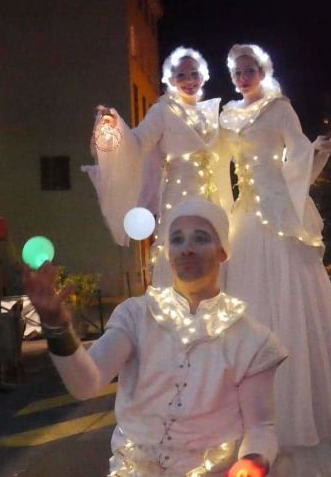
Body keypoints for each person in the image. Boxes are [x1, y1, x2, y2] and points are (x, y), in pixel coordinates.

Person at [23, 198, 287, 476]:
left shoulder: (251, 339)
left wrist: (253, 461)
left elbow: (261, 427)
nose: (187, 249)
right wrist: (56, 327)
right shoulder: (135, 316)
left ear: (222, 252)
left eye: (201, 238)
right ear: (167, 252)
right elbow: (86, 384)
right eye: (177, 239)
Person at [219, 44, 331, 476]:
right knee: (245, 304)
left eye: (250, 69)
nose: (243, 76)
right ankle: (247, 419)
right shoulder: (227, 115)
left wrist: (315, 152)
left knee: (287, 307)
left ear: (263, 71)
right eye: (237, 71)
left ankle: (292, 413)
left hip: (278, 216)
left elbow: (297, 153)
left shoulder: (280, 108)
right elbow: (216, 162)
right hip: (244, 218)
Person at [84, 47, 233, 286]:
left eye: (194, 73)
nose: (189, 80)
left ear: (203, 75)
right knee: (180, 249)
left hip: (210, 198)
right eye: (181, 75)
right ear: (170, 79)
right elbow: (138, 142)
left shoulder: (211, 113)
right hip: (179, 195)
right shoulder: (163, 111)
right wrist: (115, 128)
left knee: (211, 250)